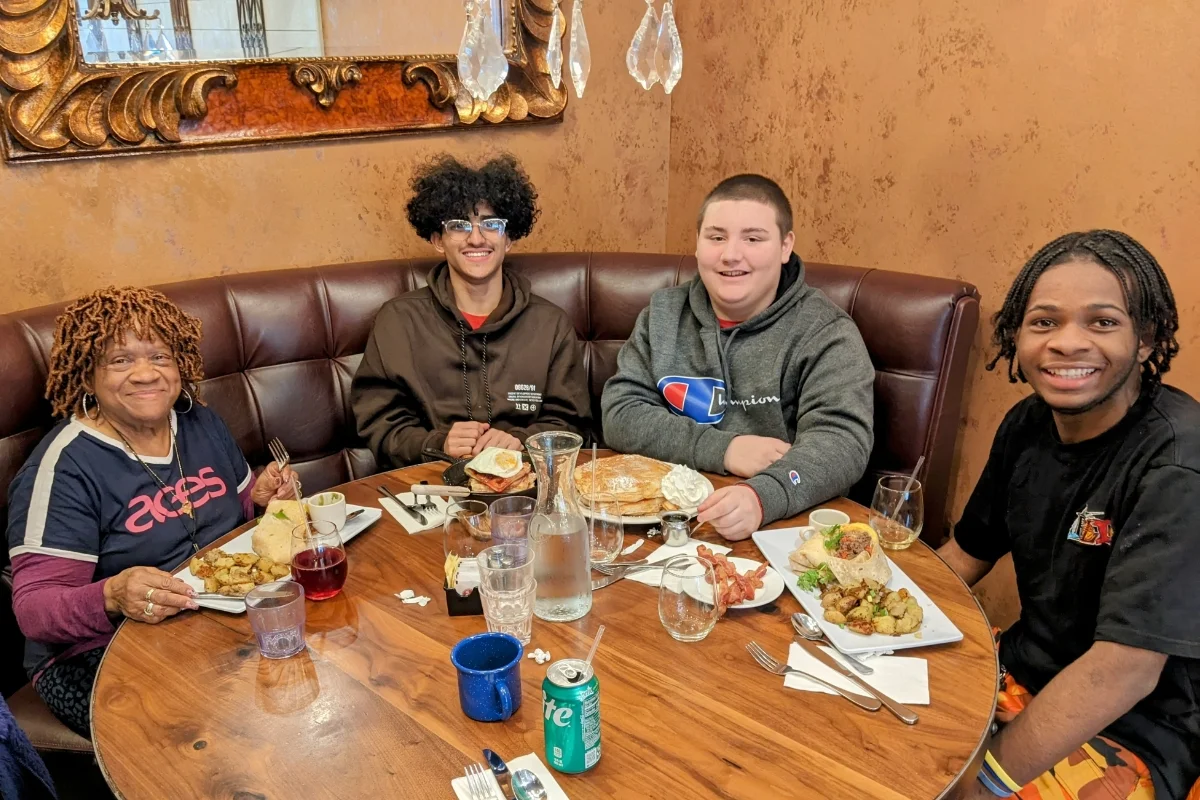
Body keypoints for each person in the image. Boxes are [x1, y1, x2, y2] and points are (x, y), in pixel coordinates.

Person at [939, 231, 1200, 800]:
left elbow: (1125, 668)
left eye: (1102, 322)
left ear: (1147, 338)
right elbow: (966, 555)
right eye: (1044, 322)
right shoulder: (1027, 423)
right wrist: (860, 616)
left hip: (1132, 728)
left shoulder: (1179, 463)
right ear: (1016, 337)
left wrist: (987, 781)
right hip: (1017, 672)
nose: (1068, 343)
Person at [5, 287, 298, 738]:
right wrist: (113, 594)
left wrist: (259, 501)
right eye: (120, 360)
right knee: (223, 731)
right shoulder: (63, 466)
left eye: (160, 357)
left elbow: (222, 520)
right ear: (87, 376)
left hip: (209, 618)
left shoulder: (200, 421)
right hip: (94, 653)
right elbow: (34, 608)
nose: (146, 374)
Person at [601, 174, 874, 540]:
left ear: (784, 246)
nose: (731, 254)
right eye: (716, 237)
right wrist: (724, 448)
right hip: (668, 523)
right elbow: (620, 414)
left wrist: (762, 496)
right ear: (697, 245)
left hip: (781, 526)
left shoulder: (826, 331)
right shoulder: (662, 315)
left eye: (753, 238)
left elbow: (842, 443)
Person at [352, 154, 591, 466]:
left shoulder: (551, 325)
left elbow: (571, 426)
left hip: (526, 492)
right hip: (429, 493)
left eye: (491, 224)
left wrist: (521, 442)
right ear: (438, 239)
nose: (476, 237)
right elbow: (380, 426)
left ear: (510, 239)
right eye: (459, 225)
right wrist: (438, 443)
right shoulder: (398, 322)